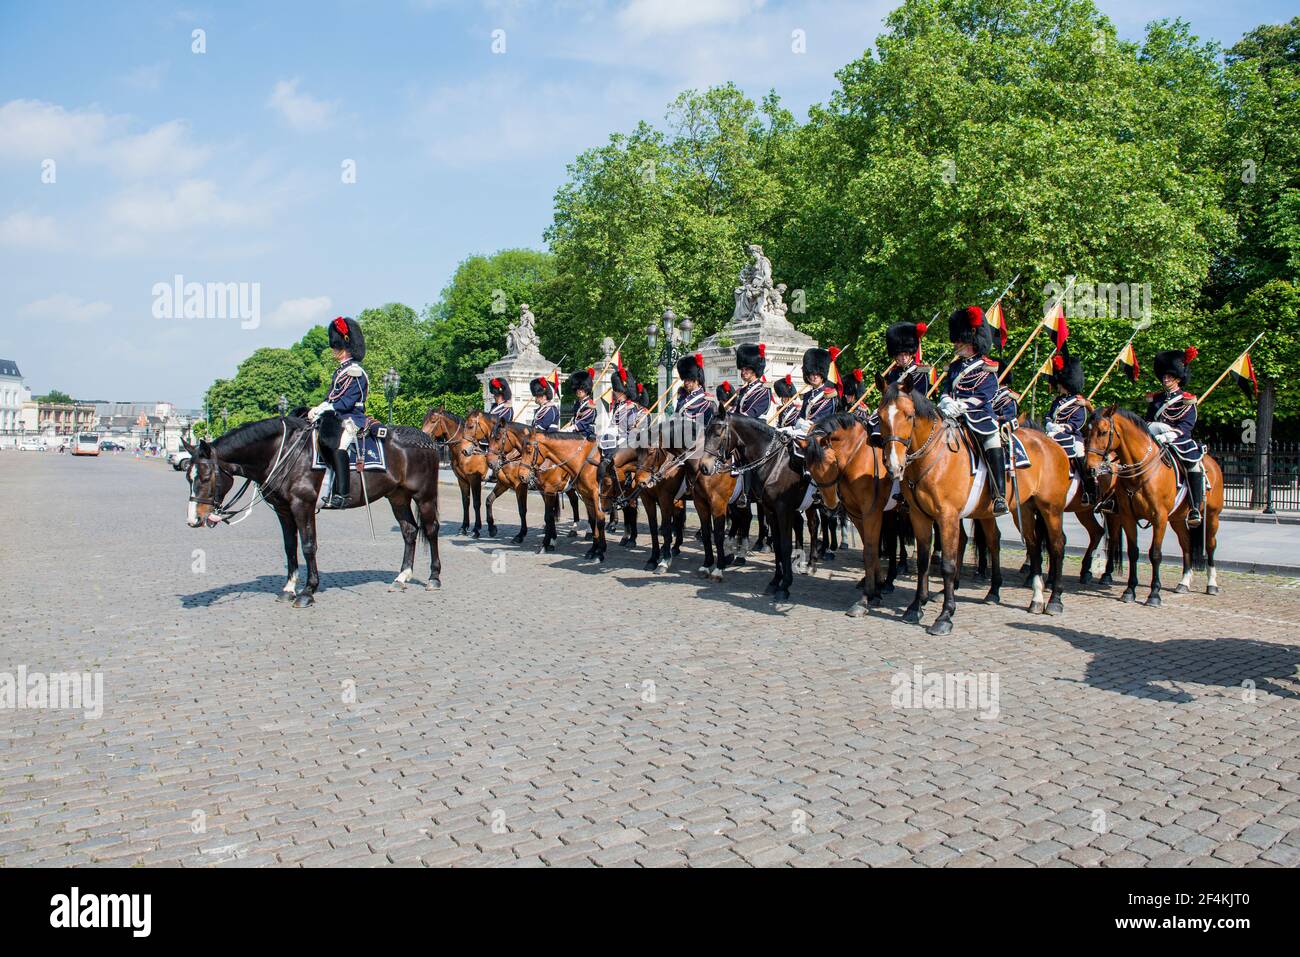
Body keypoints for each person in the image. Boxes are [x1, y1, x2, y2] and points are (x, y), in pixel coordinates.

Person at [938, 305, 1007, 514]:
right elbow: (945, 388)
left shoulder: (986, 366)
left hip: (979, 417)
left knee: (992, 441)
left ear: (972, 340)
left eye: (960, 340)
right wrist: (946, 401)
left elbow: (987, 393)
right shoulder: (955, 366)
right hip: (951, 416)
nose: (956, 344)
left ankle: (999, 495)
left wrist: (962, 405)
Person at [308, 315, 368, 509]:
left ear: (345, 346)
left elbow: (347, 401)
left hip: (352, 417)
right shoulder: (341, 371)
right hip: (338, 416)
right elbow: (332, 396)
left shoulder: (355, 371)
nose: (334, 350)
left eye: (336, 346)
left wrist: (329, 407)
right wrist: (320, 408)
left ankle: (342, 493)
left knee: (340, 445)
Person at [1146, 346, 1204, 527]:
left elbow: (1187, 425)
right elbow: (1148, 420)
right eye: (1164, 377)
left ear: (1178, 379)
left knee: (1193, 465)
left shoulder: (1186, 399)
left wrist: (1170, 434)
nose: (1165, 379)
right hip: (1155, 438)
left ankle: (1194, 506)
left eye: (1169, 377)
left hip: (1178, 439)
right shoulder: (1156, 399)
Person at [1043, 348, 1096, 506]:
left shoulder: (1078, 402)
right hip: (1053, 433)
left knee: (1079, 453)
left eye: (1060, 384)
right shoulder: (1057, 401)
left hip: (1072, 436)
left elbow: (1078, 422)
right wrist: (1049, 424)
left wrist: (1063, 428)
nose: (1058, 387)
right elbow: (1049, 415)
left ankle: (1089, 489)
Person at [675, 354, 715, 439]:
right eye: (685, 380)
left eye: (688, 380)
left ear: (696, 380)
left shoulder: (706, 402)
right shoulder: (682, 399)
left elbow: (708, 428)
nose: (686, 383)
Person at [798, 347, 840, 425]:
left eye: (818, 374)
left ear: (822, 374)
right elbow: (802, 416)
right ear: (807, 375)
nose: (815, 377)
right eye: (812, 374)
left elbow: (823, 419)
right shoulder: (807, 395)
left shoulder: (829, 395)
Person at [733, 344, 772, 419]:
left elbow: (754, 412)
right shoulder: (743, 390)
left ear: (754, 370)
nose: (743, 372)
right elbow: (737, 411)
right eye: (742, 369)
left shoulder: (763, 390)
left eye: (746, 369)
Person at [567, 368, 597, 439]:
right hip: (576, 433)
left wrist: (569, 429)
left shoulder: (590, 405)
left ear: (586, 389)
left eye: (582, 388)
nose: (579, 391)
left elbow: (583, 423)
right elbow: (575, 418)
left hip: (586, 434)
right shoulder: (578, 403)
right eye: (577, 388)